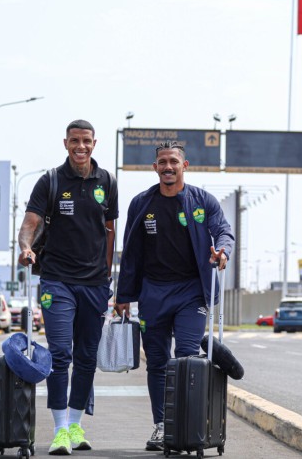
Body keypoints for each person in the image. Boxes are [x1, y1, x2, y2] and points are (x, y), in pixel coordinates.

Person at [115, 140, 234, 452]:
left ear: (185, 166)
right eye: (162, 162)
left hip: (191, 291)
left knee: (184, 355)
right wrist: (123, 294)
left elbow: (223, 231)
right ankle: (162, 426)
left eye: (174, 162)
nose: (168, 167)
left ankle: (185, 424)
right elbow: (130, 253)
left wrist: (222, 252)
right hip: (153, 292)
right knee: (156, 362)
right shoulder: (141, 203)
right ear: (155, 168)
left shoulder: (202, 201)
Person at [18, 119, 118, 455]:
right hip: (57, 280)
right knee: (62, 353)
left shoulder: (107, 181)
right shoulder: (51, 181)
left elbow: (109, 231)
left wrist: (107, 276)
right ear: (65, 143)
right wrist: (26, 248)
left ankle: (76, 425)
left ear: (94, 143)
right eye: (75, 141)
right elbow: (29, 224)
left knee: (87, 357)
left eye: (86, 141)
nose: (81, 146)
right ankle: (60, 430)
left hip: (95, 284)